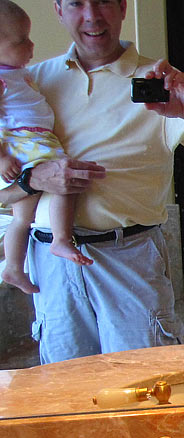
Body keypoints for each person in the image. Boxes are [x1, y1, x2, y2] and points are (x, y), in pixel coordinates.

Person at [0, 0, 184, 364]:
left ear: (123, 7)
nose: (92, 15)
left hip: (128, 258)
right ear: (59, 10)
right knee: (67, 396)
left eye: (103, 2)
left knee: (141, 388)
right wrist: (33, 179)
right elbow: (4, 193)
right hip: (50, 267)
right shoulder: (29, 81)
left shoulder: (159, 81)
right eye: (77, 3)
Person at [0, 0, 91, 296]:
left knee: (22, 218)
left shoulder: (20, 73)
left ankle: (14, 267)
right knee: (68, 179)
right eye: (22, 40)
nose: (31, 44)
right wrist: (2, 157)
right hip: (26, 144)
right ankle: (61, 239)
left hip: (37, 140)